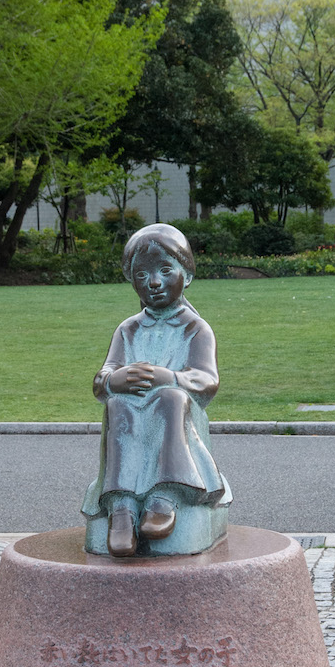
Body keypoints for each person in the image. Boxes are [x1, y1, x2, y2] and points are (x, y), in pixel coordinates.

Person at [82, 223, 230, 557]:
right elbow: (103, 377)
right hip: (132, 414)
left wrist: (170, 378)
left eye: (165, 271)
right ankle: (122, 506)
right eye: (142, 274)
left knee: (170, 398)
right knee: (117, 406)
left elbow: (207, 380)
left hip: (179, 414)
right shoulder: (128, 330)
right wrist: (114, 380)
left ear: (186, 276)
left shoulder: (196, 329)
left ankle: (167, 495)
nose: (153, 282)